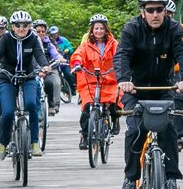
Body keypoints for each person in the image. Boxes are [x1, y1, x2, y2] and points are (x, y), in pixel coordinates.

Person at [116, 0, 183, 189]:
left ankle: (171, 179)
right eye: (150, 10)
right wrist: (124, 80)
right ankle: (130, 178)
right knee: (135, 130)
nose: (155, 14)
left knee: (169, 129)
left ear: (165, 11)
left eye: (159, 9)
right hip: (136, 89)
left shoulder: (174, 29)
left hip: (164, 88)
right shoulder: (132, 29)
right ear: (142, 11)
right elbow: (122, 55)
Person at [0, 11, 50, 159]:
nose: (21, 28)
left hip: (28, 77)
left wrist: (45, 66)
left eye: (25, 25)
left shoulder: (33, 38)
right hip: (7, 78)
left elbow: (39, 54)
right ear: (12, 27)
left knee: (31, 105)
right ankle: (3, 143)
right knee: (8, 112)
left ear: (29, 26)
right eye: (18, 25)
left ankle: (34, 142)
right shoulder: (6, 38)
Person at [70, 14, 120, 150]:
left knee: (115, 102)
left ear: (106, 29)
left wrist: (121, 66)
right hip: (90, 81)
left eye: (101, 28)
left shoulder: (113, 44)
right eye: (96, 28)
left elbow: (120, 55)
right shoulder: (86, 45)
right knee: (87, 108)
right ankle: (85, 135)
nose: (99, 31)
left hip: (109, 80)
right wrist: (77, 64)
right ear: (92, 30)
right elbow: (78, 55)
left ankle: (115, 119)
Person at [165, 0, 183, 141]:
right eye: (165, 13)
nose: (167, 16)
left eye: (170, 13)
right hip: (157, 72)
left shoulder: (181, 29)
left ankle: (177, 137)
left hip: (175, 71)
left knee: (178, 99)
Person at [32, 19, 66, 115]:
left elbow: (55, 53)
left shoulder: (49, 43)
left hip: (49, 67)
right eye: (38, 31)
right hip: (32, 69)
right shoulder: (29, 42)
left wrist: (60, 58)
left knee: (53, 83)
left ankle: (53, 105)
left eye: (43, 31)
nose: (41, 33)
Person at [50, 26, 76, 96]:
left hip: (63, 62)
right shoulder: (49, 41)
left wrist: (68, 50)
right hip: (53, 63)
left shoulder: (63, 40)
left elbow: (70, 48)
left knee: (68, 74)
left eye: (56, 33)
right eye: (53, 34)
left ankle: (72, 88)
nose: (54, 35)